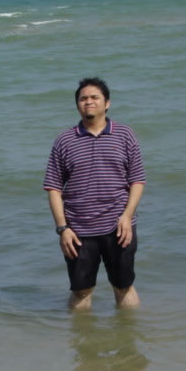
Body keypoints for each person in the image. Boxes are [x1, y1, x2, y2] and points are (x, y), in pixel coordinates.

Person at [44, 78, 145, 310]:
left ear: (107, 103)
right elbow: (53, 187)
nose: (88, 101)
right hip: (78, 231)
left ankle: (129, 334)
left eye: (94, 97)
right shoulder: (64, 141)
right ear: (77, 105)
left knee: (123, 286)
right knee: (81, 291)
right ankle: (82, 334)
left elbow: (137, 180)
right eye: (83, 98)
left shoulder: (125, 134)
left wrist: (127, 216)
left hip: (119, 228)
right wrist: (63, 228)